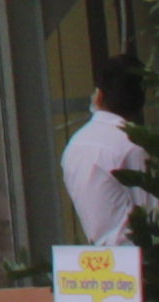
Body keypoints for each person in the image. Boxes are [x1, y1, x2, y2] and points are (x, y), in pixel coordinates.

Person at [62, 56, 152, 249]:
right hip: (135, 259)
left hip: (99, 259)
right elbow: (152, 214)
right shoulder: (133, 144)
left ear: (99, 95)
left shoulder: (76, 144)